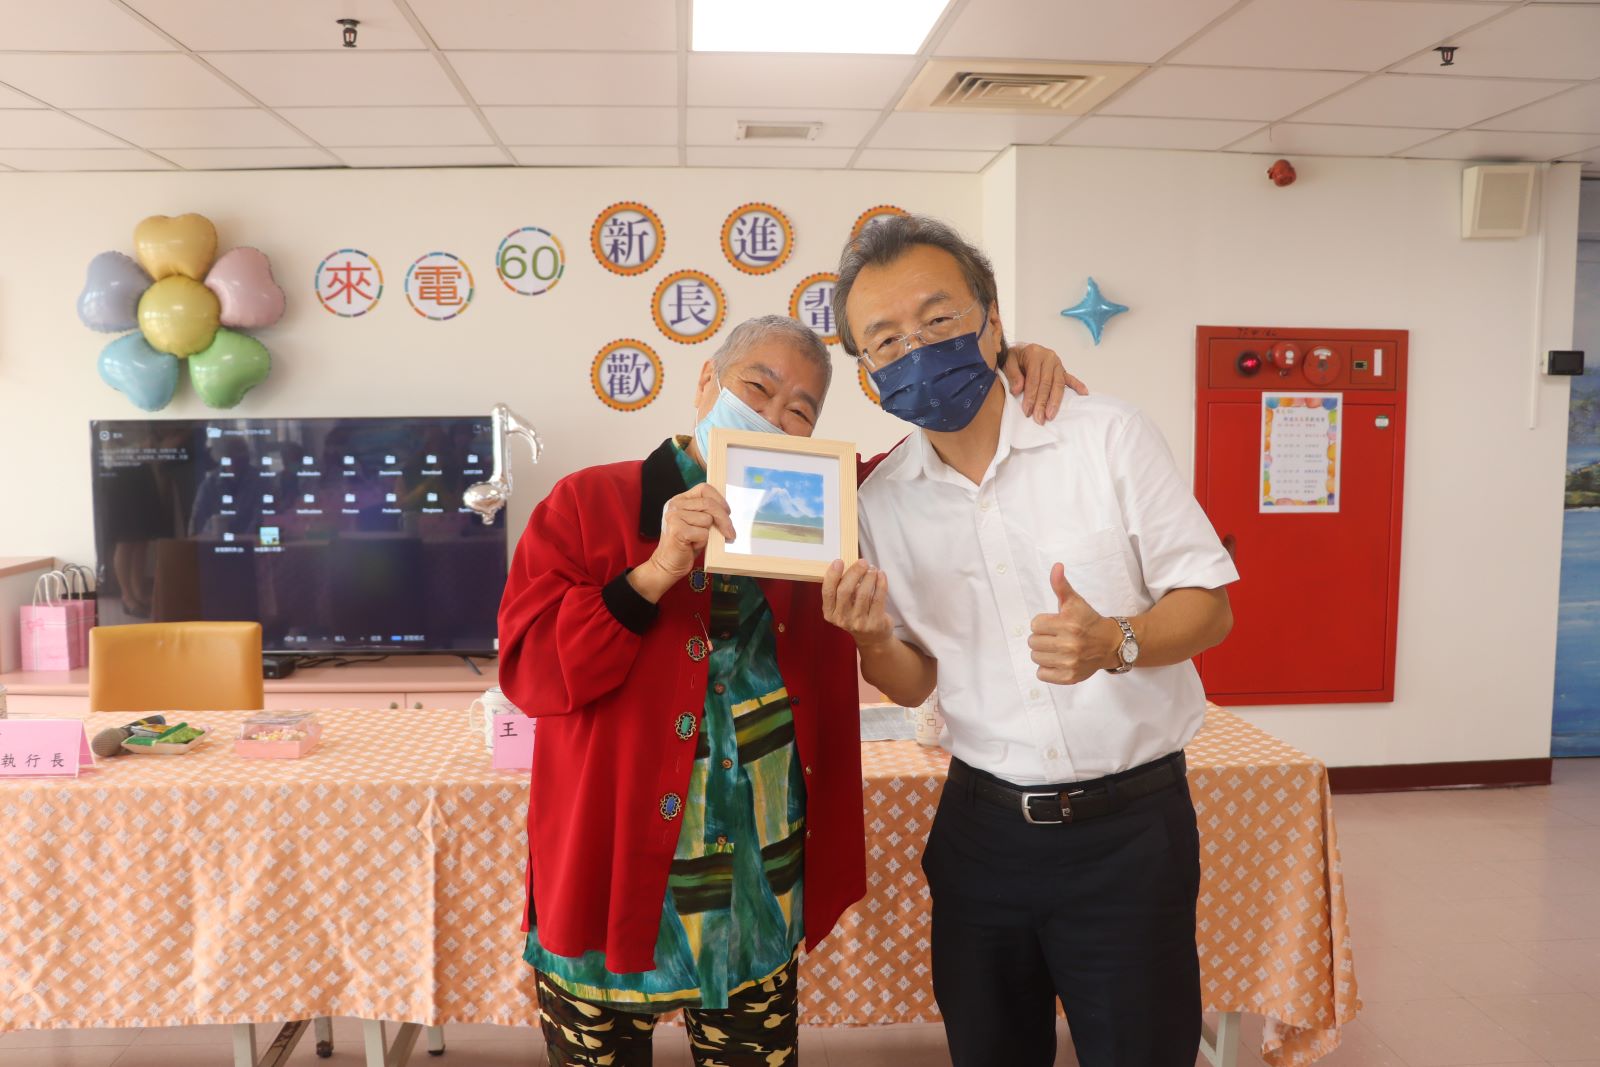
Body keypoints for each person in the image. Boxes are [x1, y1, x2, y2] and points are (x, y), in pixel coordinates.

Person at [497, 314, 1079, 1066]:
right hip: (605, 875)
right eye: (757, 389)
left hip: (755, 884)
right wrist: (655, 571)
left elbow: (936, 453)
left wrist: (1003, 369)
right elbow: (532, 670)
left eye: (800, 410)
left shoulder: (827, 509)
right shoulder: (588, 502)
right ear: (706, 382)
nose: (773, 417)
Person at [822, 214, 1239, 1067]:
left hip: (1130, 833)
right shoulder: (880, 500)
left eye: (939, 318)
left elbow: (1209, 606)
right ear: (867, 373)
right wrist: (870, 642)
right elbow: (914, 682)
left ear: (993, 321)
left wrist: (1116, 641)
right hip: (981, 835)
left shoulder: (1106, 435)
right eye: (886, 339)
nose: (916, 348)